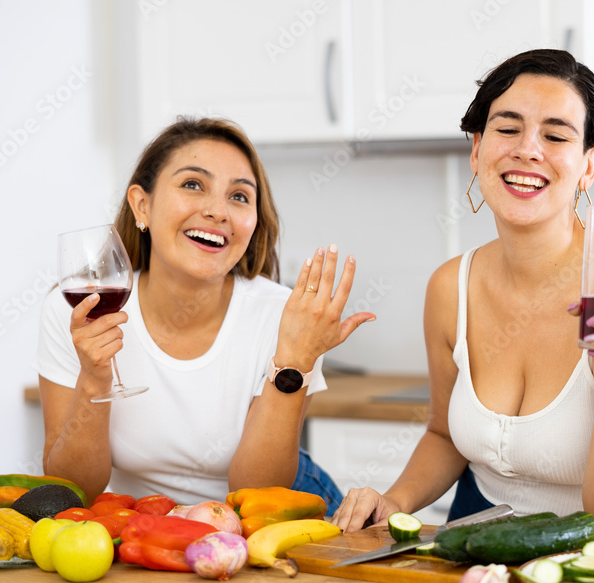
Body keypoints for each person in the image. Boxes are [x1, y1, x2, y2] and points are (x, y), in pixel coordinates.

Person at [332, 50, 594, 545]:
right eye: (507, 128)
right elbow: (443, 434)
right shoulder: (450, 287)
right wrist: (397, 501)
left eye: (556, 135)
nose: (528, 150)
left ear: (588, 165)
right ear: (477, 149)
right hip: (473, 545)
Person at [37, 117, 374, 514]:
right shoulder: (76, 310)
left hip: (263, 521)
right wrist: (94, 379)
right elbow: (73, 491)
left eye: (240, 196)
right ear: (142, 205)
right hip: (149, 533)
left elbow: (256, 493)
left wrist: (295, 362)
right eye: (193, 184)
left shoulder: (284, 317)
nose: (218, 211)